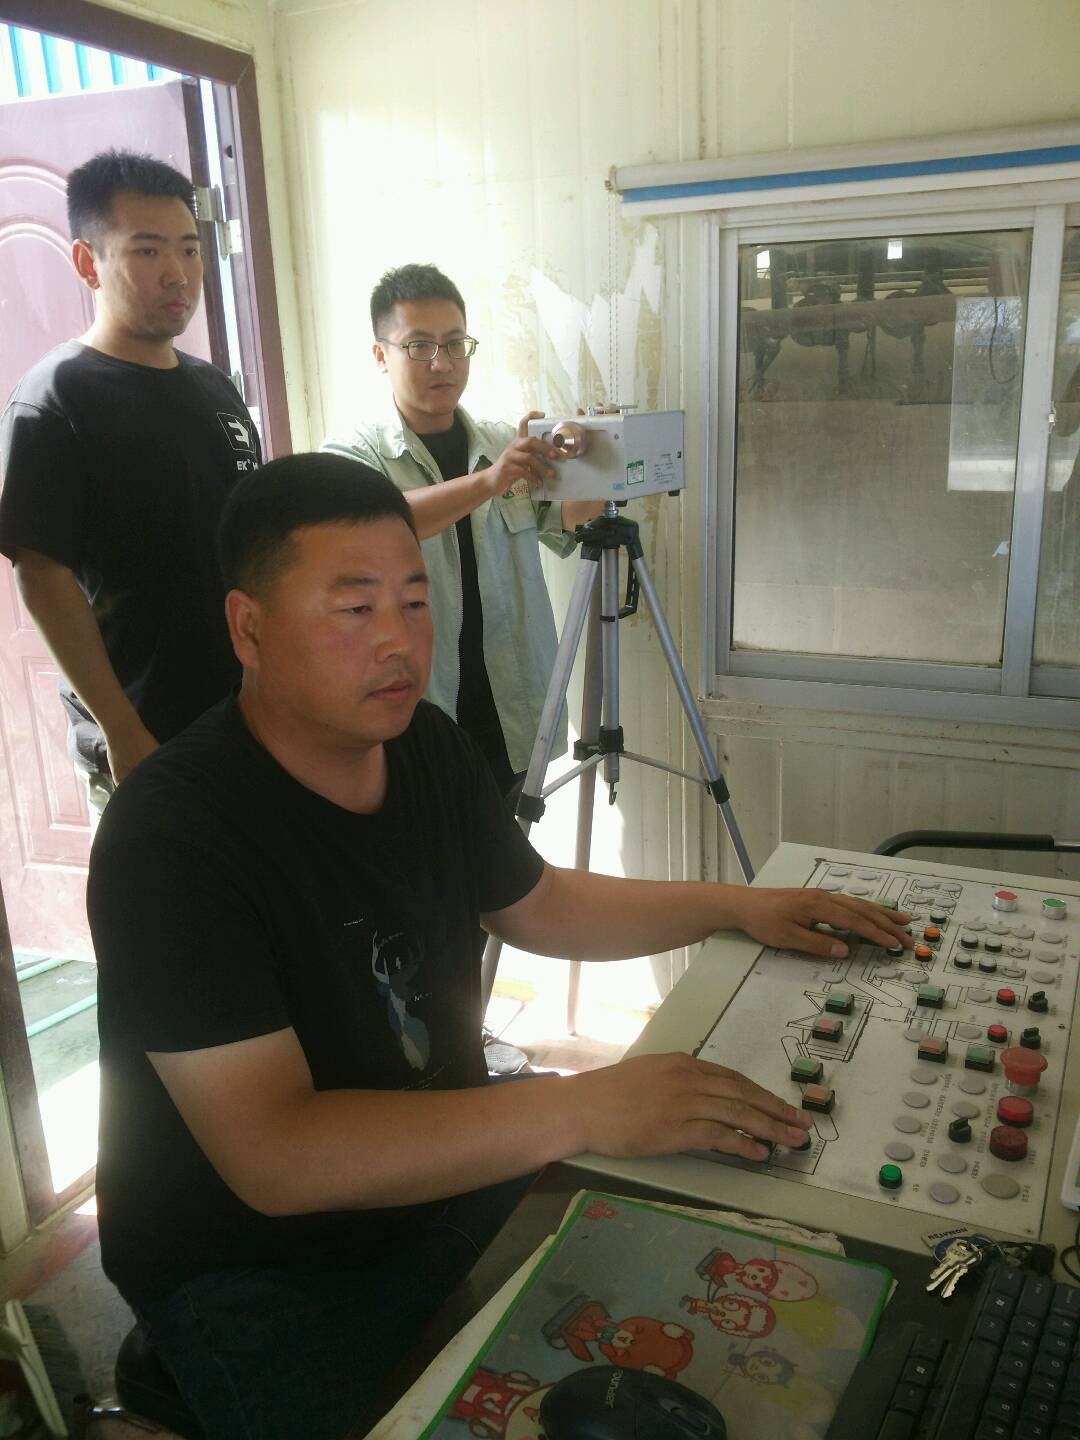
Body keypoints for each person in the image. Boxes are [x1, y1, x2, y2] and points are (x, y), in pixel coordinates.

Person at [87, 452, 913, 1440]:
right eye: (355, 609)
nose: (398, 642)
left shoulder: (425, 748)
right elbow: (278, 1156)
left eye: (414, 602)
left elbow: (540, 904)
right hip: (259, 1270)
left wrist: (735, 906)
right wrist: (580, 1103)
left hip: (442, 1181)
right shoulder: (172, 837)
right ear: (248, 628)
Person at [0, 148, 260, 821]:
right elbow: (42, 576)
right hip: (144, 735)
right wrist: (121, 730)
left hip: (246, 719)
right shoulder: (55, 400)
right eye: (147, 251)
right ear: (87, 262)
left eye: (189, 249)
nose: (178, 273)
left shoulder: (215, 388)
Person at [322, 263, 597, 795]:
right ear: (380, 355)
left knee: (510, 844)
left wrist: (594, 470)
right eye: (419, 346)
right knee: (425, 842)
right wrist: (490, 481)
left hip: (510, 706)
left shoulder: (499, 442)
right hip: (417, 705)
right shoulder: (353, 453)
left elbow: (563, 521)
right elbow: (374, 525)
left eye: (454, 343)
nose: (443, 362)